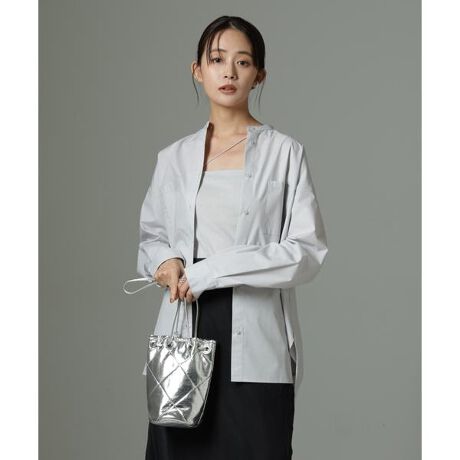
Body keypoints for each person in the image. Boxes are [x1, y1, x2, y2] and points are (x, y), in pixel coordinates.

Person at [138, 15, 329, 460]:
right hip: (183, 332)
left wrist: (212, 271)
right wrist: (164, 262)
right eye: (217, 59)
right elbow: (152, 236)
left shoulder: (284, 153)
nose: (229, 72)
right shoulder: (172, 158)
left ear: (259, 75)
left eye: (243, 62)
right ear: (197, 70)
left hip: (256, 341)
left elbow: (305, 251)